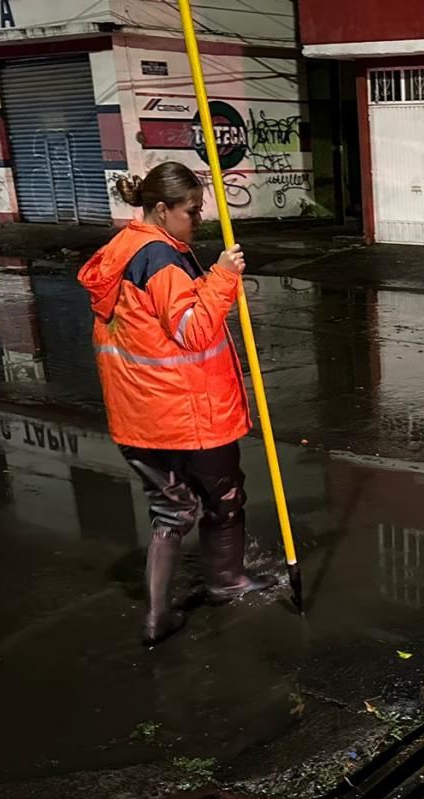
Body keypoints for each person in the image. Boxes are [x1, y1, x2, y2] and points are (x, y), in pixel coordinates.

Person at [78, 161, 273, 646]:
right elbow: (192, 330)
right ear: (162, 210)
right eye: (191, 210)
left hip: (139, 419)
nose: (199, 219)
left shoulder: (122, 250)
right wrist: (224, 277)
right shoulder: (160, 261)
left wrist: (207, 277)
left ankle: (157, 616)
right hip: (188, 415)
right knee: (224, 499)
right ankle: (226, 581)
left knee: (169, 514)